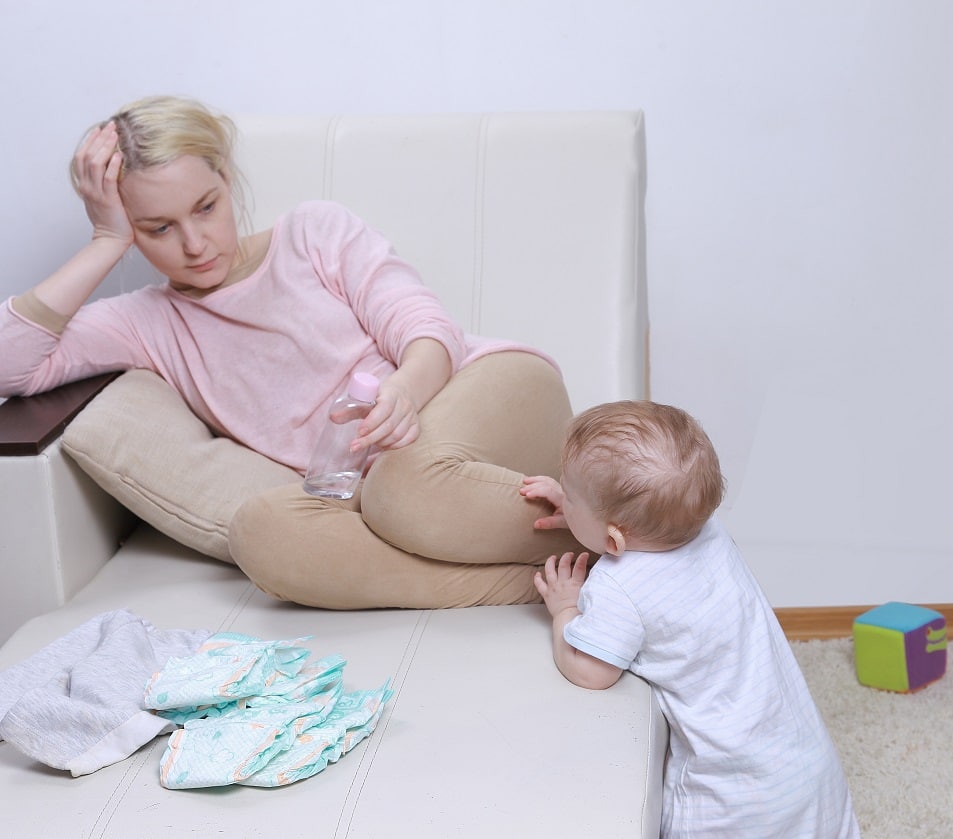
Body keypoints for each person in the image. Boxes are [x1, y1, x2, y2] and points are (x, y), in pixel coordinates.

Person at [0, 95, 583, 609]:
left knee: (402, 488)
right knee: (262, 534)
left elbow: (426, 327)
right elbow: (10, 365)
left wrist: (405, 390)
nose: (195, 244)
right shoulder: (145, 322)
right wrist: (106, 241)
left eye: (206, 207)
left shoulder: (314, 233)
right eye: (158, 228)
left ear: (226, 179)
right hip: (385, 499)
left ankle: (619, 535)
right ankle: (543, 576)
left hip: (482, 392)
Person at [520, 400, 860, 839]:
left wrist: (565, 607)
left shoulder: (617, 587)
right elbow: (641, 536)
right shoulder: (709, 533)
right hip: (807, 771)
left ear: (612, 539)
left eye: (568, 493)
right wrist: (580, 508)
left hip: (733, 797)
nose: (563, 496)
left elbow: (592, 671)